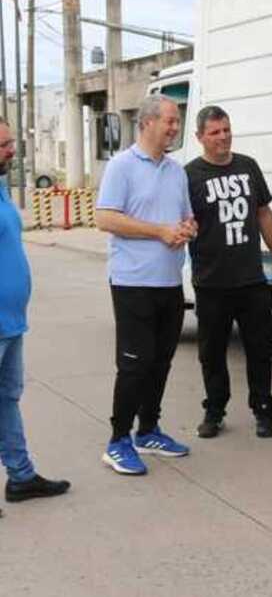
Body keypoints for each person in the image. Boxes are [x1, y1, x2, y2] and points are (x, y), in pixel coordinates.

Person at [96, 95, 197, 476]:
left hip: (169, 282)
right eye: (170, 121)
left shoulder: (176, 171)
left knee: (160, 361)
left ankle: (148, 430)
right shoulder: (121, 166)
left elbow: (186, 217)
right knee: (134, 364)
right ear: (147, 123)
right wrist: (159, 231)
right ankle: (118, 440)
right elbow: (105, 218)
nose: (174, 127)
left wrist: (188, 228)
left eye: (176, 122)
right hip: (132, 282)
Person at [186, 105, 272, 440]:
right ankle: (214, 411)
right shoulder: (189, 176)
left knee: (260, 351)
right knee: (211, 355)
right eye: (215, 132)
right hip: (211, 283)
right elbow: (181, 221)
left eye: (226, 130)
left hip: (250, 280)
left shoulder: (248, 167)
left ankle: (263, 411)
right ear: (200, 137)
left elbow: (263, 214)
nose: (223, 137)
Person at [0, 117, 70, 516]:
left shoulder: (2, 189)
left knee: (8, 398)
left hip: (11, 322)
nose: (12, 151)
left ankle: (21, 476)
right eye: (5, 145)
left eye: (11, 143)